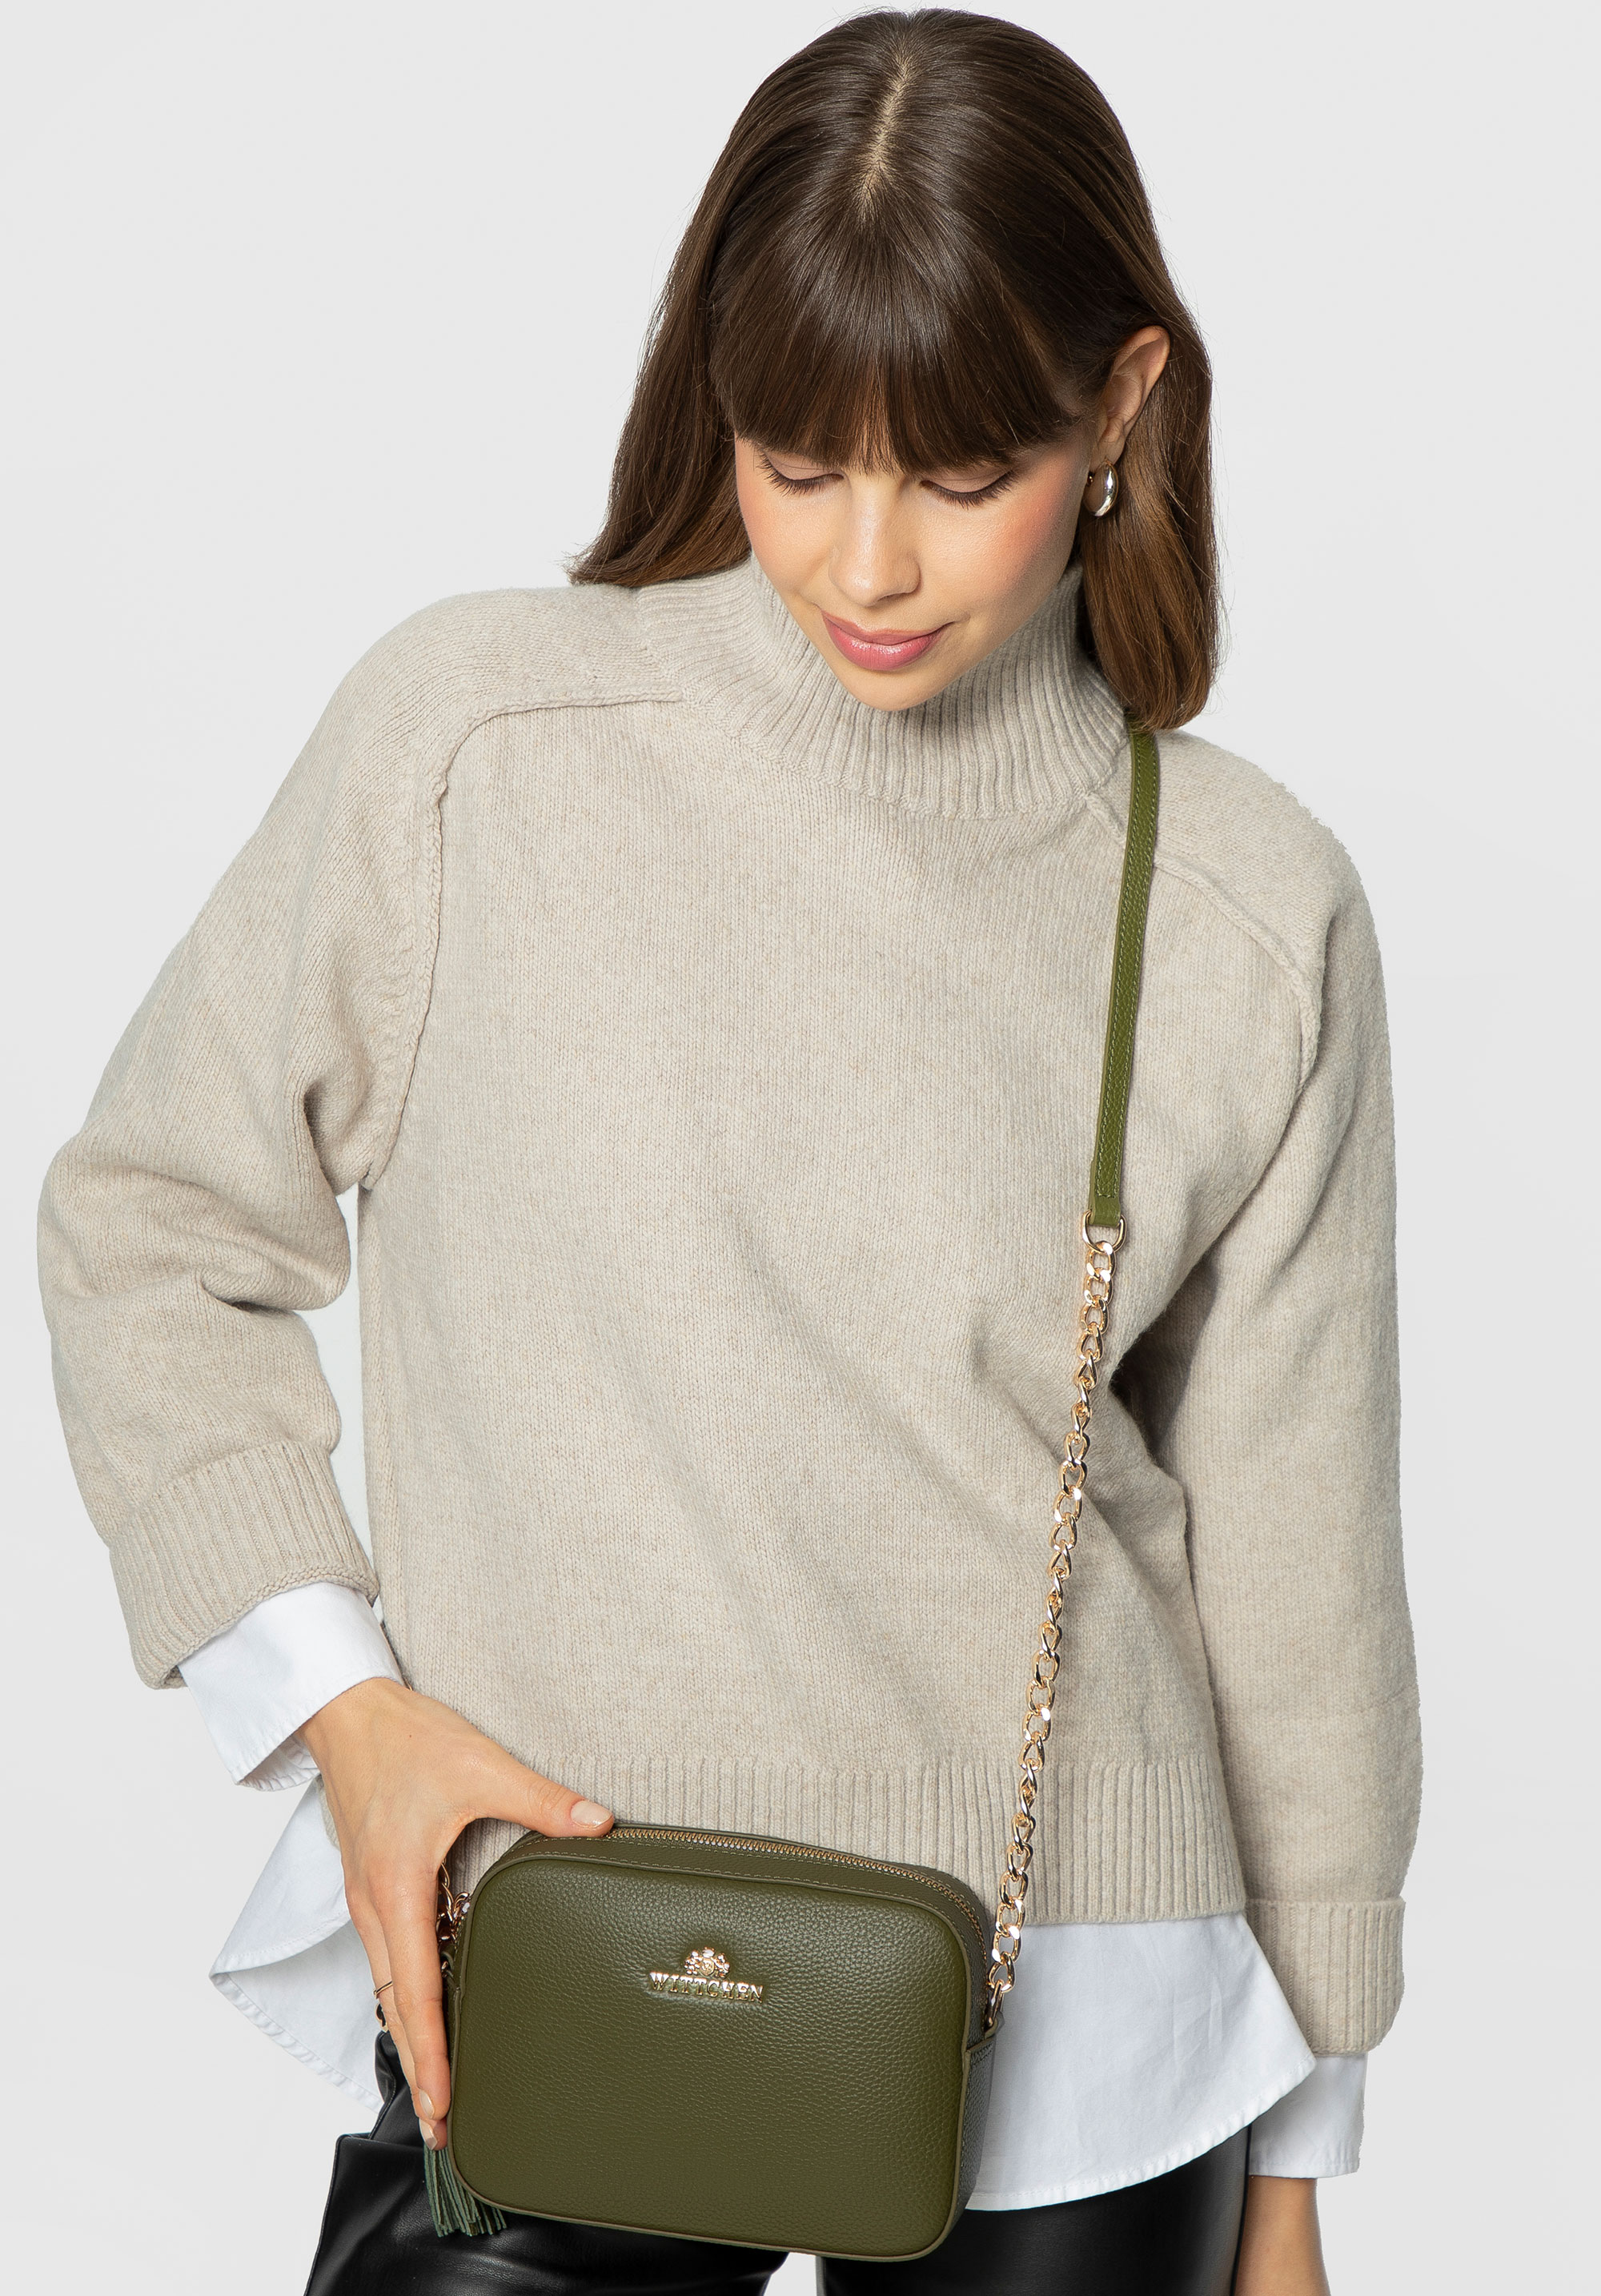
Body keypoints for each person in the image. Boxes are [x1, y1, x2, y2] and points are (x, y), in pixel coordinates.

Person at [38, 11, 1419, 2294]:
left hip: (1089, 2010)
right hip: (557, 1942)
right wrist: (337, 1706)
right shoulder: (478, 744)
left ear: (1121, 408)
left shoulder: (1249, 906)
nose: (867, 562)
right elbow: (154, 1220)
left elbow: (1297, 1566)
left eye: (961, 473)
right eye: (797, 462)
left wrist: (1297, 2166)